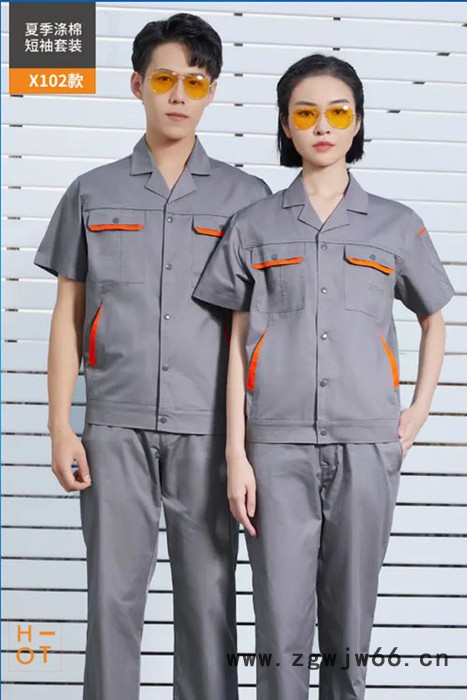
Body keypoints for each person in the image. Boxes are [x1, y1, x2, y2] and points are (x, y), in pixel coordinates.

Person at [192, 53, 455, 699]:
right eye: (305, 113)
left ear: (357, 122)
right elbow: (235, 343)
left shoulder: (396, 224)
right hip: (274, 448)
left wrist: (417, 411)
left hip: (366, 445)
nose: (321, 126)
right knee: (279, 625)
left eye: (338, 113)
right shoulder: (253, 225)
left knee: (349, 627)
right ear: (286, 125)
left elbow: (434, 318)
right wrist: (236, 454)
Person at [33, 13, 271, 700]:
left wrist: (249, 444)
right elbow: (67, 316)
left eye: (194, 82)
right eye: (164, 79)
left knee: (208, 605)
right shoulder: (92, 191)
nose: (178, 95)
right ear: (137, 84)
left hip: (210, 432)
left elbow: (259, 330)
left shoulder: (247, 199)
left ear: (211, 91)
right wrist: (60, 425)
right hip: (114, 430)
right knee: (111, 601)